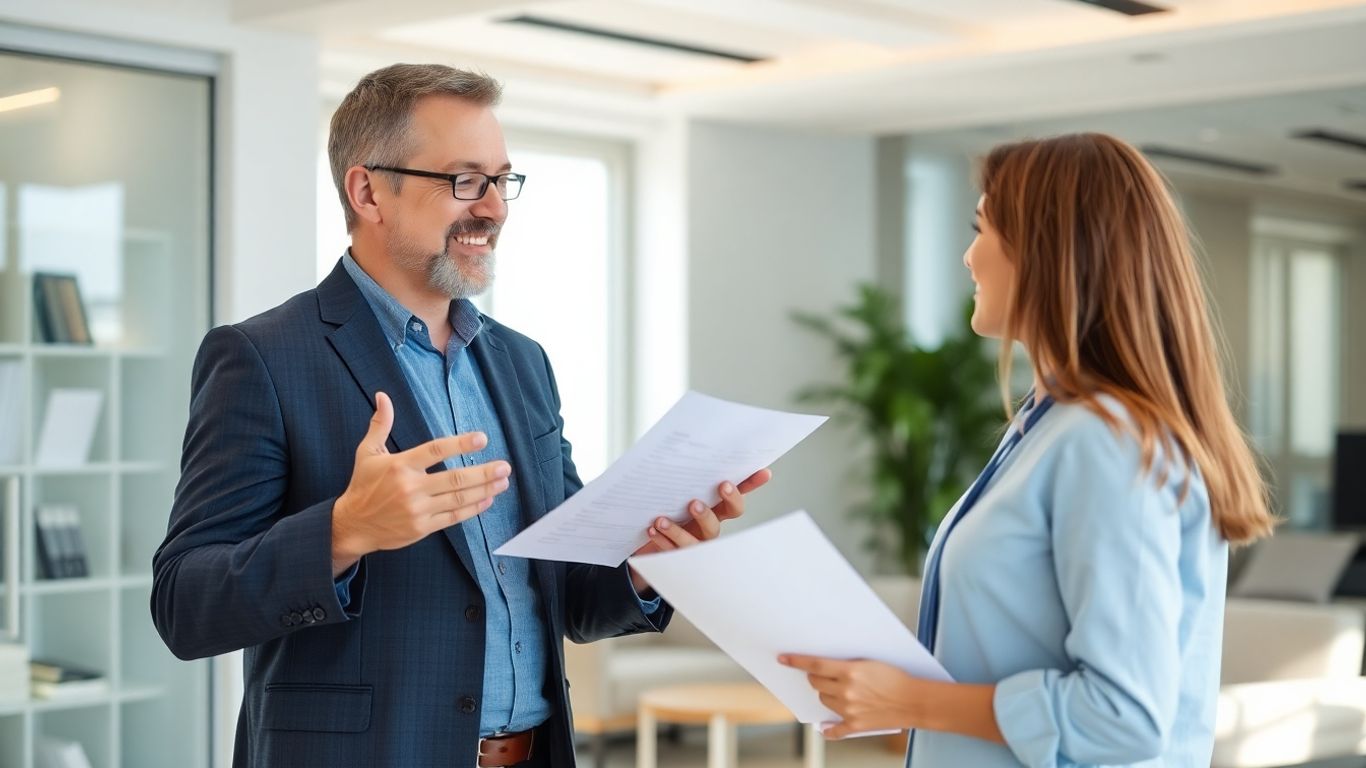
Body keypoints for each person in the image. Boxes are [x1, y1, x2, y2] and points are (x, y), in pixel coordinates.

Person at [150, 63, 769, 768]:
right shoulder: (262, 356)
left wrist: (642, 567)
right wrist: (345, 532)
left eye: (502, 180)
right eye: (465, 181)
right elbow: (184, 604)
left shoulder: (522, 362)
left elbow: (566, 595)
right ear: (368, 191)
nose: (495, 208)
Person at [782, 133, 1275, 767]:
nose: (968, 257)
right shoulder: (1048, 429)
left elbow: (1124, 716)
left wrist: (914, 701)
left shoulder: (1106, 442)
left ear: (1048, 252)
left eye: (981, 229)